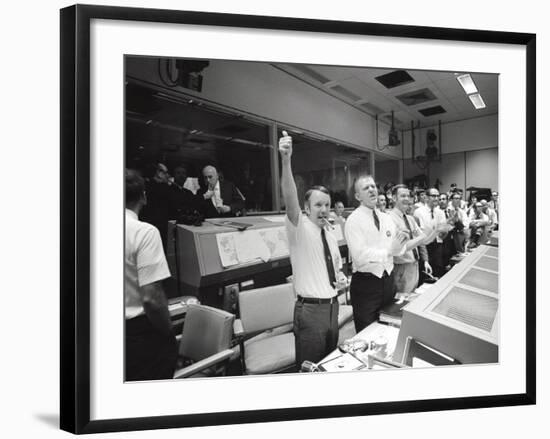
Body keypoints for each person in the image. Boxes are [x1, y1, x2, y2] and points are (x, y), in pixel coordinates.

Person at [279, 131, 347, 368]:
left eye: (327, 205)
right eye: (318, 204)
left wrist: (341, 279)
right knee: (309, 371)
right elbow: (289, 198)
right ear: (306, 208)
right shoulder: (299, 228)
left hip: (332, 308)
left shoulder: (329, 233)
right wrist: (286, 160)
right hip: (310, 312)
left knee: (328, 366)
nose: (324, 209)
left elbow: (336, 270)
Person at [125, 169, 177, 381]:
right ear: (143, 197)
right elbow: (152, 298)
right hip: (139, 335)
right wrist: (168, 332)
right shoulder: (144, 233)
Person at [345, 176, 409, 332]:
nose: (372, 189)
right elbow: (360, 255)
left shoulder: (386, 218)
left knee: (388, 326)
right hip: (366, 285)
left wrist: (402, 242)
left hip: (388, 282)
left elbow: (397, 249)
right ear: (358, 196)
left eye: (373, 186)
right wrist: (389, 251)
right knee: (367, 332)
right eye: (366, 188)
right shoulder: (353, 220)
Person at [388, 185, 434, 295]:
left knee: (411, 299)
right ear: (394, 198)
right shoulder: (389, 218)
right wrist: (424, 235)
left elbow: (424, 241)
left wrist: (436, 231)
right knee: (401, 302)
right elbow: (402, 248)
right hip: (401, 268)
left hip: (414, 265)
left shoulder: (410, 219)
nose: (406, 199)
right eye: (402, 196)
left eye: (408, 196)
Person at [414, 187, 452, 278]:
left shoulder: (440, 212)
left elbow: (442, 235)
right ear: (426, 197)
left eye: (437, 196)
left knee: (438, 271)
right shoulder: (419, 212)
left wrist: (446, 229)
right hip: (425, 247)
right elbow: (421, 236)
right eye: (433, 196)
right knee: (426, 274)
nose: (436, 198)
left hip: (438, 246)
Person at [140, 162, 173, 250]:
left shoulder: (165, 187)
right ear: (158, 172)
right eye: (164, 172)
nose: (167, 175)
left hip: (163, 224)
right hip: (151, 224)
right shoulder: (148, 186)